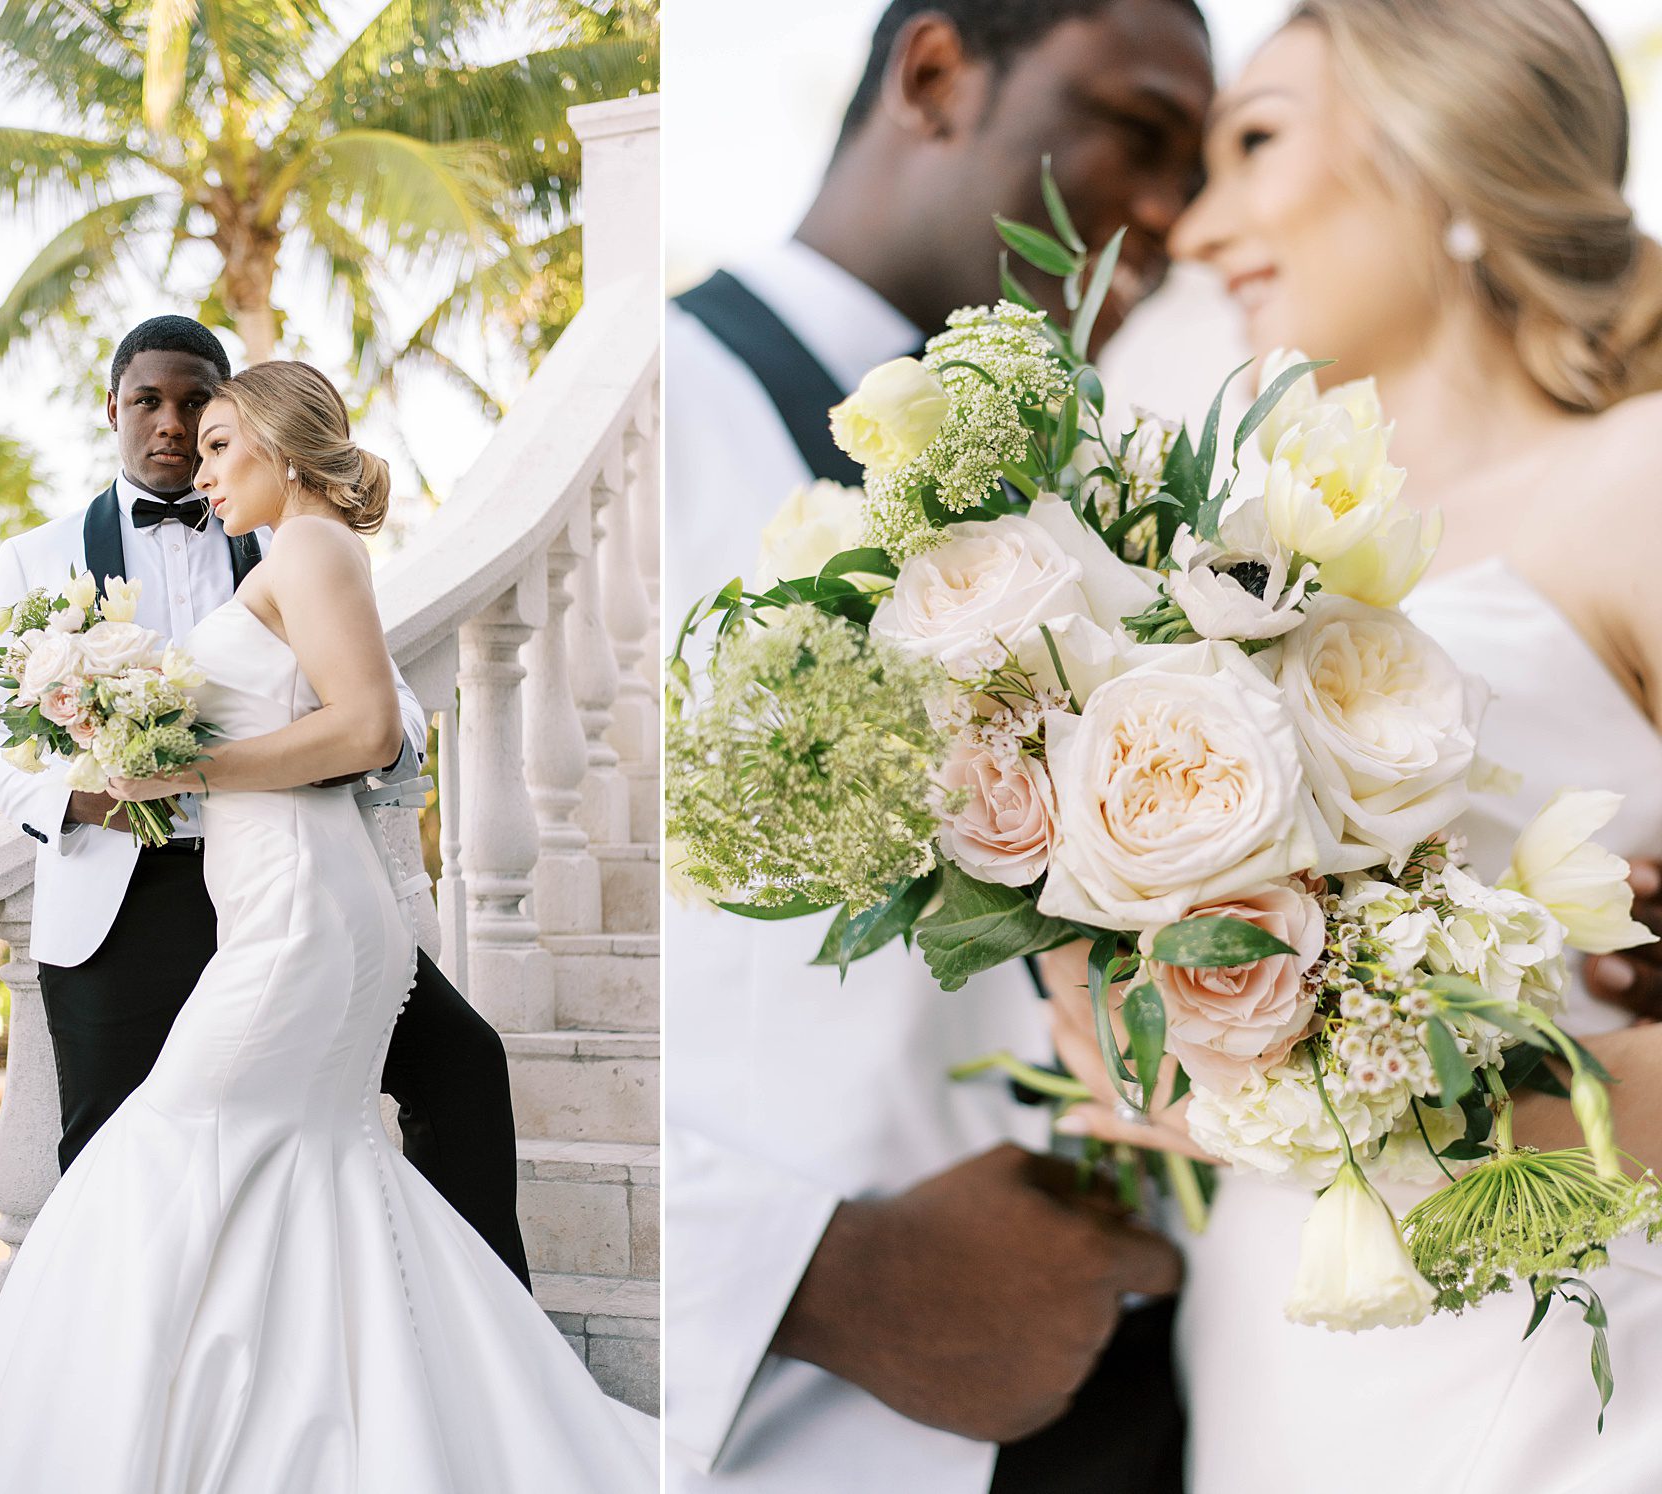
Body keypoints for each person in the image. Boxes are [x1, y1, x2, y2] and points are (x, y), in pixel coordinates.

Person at [1052, 1, 1662, 1486]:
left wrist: (1366, 1118)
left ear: (1451, 141)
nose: (1197, 232)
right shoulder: (1240, 555)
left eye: (1257, 143)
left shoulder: (1635, 480)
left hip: (1563, 1369)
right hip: (1279, 1356)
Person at [0, 360, 658, 1489]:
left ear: (275, 443)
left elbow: (368, 728)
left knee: (169, 1142)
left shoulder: (307, 548)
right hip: (277, 899)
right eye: (190, 444)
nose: (199, 466)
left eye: (220, 445)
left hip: (299, 916)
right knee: (304, 1161)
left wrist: (181, 772)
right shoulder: (294, 550)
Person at [663, 3, 1212, 1490]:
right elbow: (454, 971)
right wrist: (819, 1279)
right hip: (821, 1419)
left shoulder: (1115, 486)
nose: (1174, 212)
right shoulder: (642, 419)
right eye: (1142, 133)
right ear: (935, 76)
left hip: (1172, 1382)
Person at [0, 315, 532, 1288]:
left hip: (278, 891)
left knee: (456, 1069)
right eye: (150, 401)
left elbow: (383, 717)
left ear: (245, 423)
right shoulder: (35, 555)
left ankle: (478, 1345)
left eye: (199, 409)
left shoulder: (284, 543)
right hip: (118, 900)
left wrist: (206, 762)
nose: (174, 427)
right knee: (121, 1159)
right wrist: (77, 798)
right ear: (114, 409)